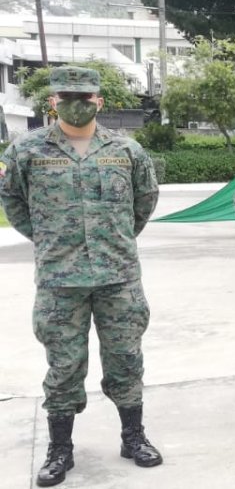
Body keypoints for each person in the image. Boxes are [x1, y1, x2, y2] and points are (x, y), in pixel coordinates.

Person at [0, 66, 162, 487]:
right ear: (52, 102)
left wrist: (117, 238)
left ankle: (133, 437)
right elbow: (13, 201)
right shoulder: (27, 150)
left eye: (85, 97)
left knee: (126, 359)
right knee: (64, 365)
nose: (76, 104)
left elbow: (144, 201)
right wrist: (49, 238)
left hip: (118, 276)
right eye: (66, 97)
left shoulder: (126, 150)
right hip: (60, 280)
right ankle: (60, 450)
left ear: (99, 102)